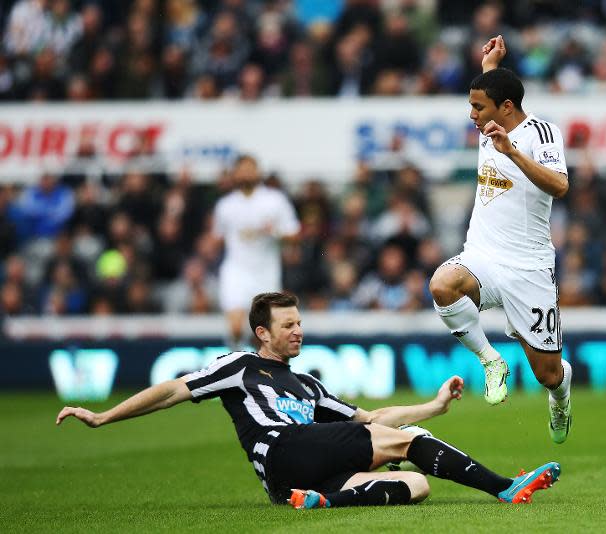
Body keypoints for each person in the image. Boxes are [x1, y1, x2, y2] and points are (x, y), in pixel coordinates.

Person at [56, 291, 561, 509]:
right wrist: (103, 416)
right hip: (281, 450)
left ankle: (321, 503)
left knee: (414, 483)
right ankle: (503, 488)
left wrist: (431, 407)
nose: (299, 331)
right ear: (262, 332)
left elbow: (370, 418)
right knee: (404, 444)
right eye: (288, 325)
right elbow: (172, 389)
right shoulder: (239, 367)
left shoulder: (307, 385)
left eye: (300, 322)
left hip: (299, 477)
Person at [428, 35, 573, 444]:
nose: (472, 115)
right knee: (442, 284)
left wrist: (512, 153)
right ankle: (491, 361)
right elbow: (494, 89)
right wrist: (490, 63)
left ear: (506, 108)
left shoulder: (541, 134)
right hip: (483, 255)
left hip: (528, 268)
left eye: (478, 107)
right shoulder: (491, 117)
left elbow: (560, 186)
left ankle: (561, 398)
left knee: (547, 373)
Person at [212, 155, 300, 349]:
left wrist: (274, 231)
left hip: (265, 273)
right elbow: (216, 238)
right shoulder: (225, 205)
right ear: (235, 173)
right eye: (242, 169)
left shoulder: (274, 200)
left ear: (258, 172)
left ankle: (258, 371)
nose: (246, 173)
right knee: (235, 327)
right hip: (236, 271)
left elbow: (294, 233)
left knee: (262, 332)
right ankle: (235, 367)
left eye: (250, 169)